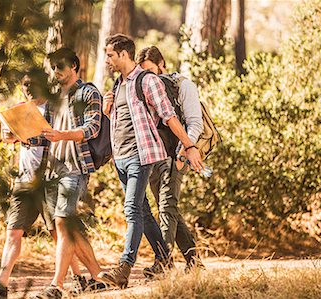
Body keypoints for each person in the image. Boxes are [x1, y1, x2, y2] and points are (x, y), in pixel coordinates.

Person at [97, 34, 204, 288]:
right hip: (120, 158)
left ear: (124, 54)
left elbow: (169, 117)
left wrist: (189, 146)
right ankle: (165, 258)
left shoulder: (147, 81)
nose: (107, 61)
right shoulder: (117, 85)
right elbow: (120, 122)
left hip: (141, 156)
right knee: (143, 211)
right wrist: (106, 110)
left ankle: (124, 268)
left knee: (133, 209)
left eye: (110, 55)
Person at [0, 71, 87, 299]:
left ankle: (80, 278)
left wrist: (27, 135)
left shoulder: (55, 110)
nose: (27, 89)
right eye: (24, 85)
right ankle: (1, 285)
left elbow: (58, 137)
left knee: (59, 234)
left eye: (32, 84)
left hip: (50, 179)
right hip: (24, 181)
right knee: (13, 232)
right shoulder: (20, 108)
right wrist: (8, 134)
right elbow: (7, 137)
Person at [32, 48, 105, 299]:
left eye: (60, 66)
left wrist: (63, 135)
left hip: (75, 168)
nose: (56, 72)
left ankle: (57, 286)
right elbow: (45, 135)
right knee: (66, 227)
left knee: (63, 221)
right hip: (52, 170)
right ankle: (99, 276)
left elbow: (93, 127)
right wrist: (18, 137)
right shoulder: (53, 98)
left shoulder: (88, 92)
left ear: (74, 66)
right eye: (53, 67)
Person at [136, 46, 205, 276]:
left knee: (166, 206)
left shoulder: (183, 85)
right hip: (155, 156)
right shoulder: (143, 87)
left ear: (162, 63)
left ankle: (162, 262)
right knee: (169, 207)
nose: (149, 78)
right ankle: (194, 260)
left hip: (178, 153)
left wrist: (185, 150)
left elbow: (195, 122)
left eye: (151, 71)